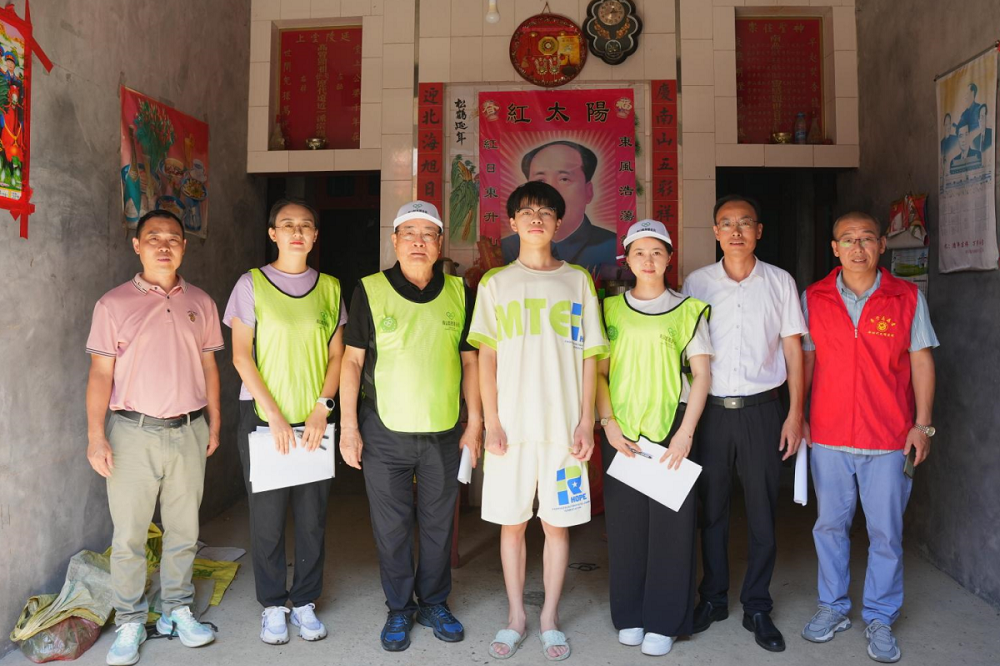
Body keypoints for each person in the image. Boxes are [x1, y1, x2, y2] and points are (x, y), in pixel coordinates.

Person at [470, 181, 610, 661]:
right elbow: (486, 357)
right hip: (510, 430)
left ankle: (549, 617)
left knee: (557, 525)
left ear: (558, 222)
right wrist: (491, 422)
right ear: (512, 222)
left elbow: (591, 356)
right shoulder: (495, 283)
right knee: (511, 525)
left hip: (563, 431)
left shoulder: (577, 281)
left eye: (546, 212)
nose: (536, 218)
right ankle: (516, 616)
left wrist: (586, 421)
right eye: (526, 212)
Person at [339, 200, 482, 652]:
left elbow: (471, 362)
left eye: (428, 234)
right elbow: (351, 361)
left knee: (439, 525)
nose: (418, 242)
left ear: (440, 243)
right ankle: (399, 607)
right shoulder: (370, 290)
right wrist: (348, 427)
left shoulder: (460, 292)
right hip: (383, 431)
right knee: (392, 527)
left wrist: (475, 423)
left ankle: (434, 602)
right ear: (395, 241)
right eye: (409, 233)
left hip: (444, 430)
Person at [799, 212, 938, 664]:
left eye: (865, 239)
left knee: (886, 533)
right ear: (834, 249)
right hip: (830, 435)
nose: (857, 248)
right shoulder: (814, 297)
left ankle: (880, 616)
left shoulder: (907, 297)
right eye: (847, 240)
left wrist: (922, 425)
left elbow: (921, 362)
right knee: (829, 527)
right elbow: (806, 360)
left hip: (889, 438)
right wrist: (798, 415)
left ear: (881, 245)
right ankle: (833, 606)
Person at [86, 210, 221, 665]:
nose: (164, 246)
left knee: (184, 529)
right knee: (129, 534)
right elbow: (100, 373)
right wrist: (95, 436)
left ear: (184, 246)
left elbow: (209, 366)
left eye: (173, 238)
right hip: (131, 432)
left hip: (188, 429)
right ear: (137, 245)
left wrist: (215, 422)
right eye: (153, 237)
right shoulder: (112, 304)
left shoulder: (200, 302)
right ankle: (130, 619)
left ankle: (177, 609)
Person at [681, 195, 807, 653]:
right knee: (711, 509)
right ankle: (713, 598)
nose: (736, 231)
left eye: (745, 223)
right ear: (716, 232)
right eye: (726, 224)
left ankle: (757, 605)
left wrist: (795, 413)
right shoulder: (696, 283)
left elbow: (793, 350)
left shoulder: (779, 281)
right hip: (711, 412)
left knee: (762, 511)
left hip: (762, 411)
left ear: (759, 231)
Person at [224, 197, 345, 645]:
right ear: (272, 233)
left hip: (315, 419)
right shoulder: (251, 284)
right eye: (287, 224)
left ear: (315, 236)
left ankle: (306, 601)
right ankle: (274, 604)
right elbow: (241, 355)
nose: (297, 231)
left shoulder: (330, 288)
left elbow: (337, 355)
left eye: (306, 225)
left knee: (312, 517)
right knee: (268, 518)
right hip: (262, 418)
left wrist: (322, 407)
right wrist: (273, 416)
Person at [595, 219, 712, 657]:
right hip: (621, 430)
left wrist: (685, 434)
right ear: (627, 259)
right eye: (639, 252)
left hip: (671, 428)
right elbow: (598, 374)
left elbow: (702, 376)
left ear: (669, 258)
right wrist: (607, 423)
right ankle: (629, 614)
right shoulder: (608, 309)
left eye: (657, 251)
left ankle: (664, 621)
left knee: (671, 529)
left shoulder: (688, 310)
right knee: (625, 528)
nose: (648, 260)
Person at [500, 140, 616, 268]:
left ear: (588, 191)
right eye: (540, 181)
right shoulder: (503, 250)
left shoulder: (613, 247)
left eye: (564, 179)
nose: (551, 189)